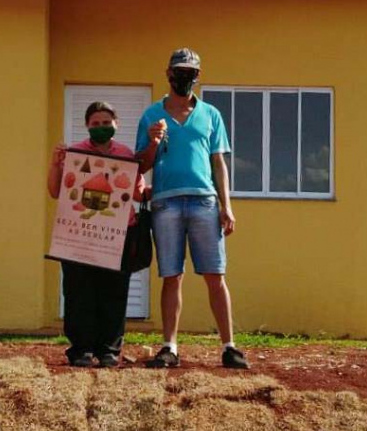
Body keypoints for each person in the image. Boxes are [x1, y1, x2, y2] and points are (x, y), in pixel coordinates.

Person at [136, 47, 249, 370]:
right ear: (168, 74)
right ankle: (169, 346)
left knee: (216, 275)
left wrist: (226, 206)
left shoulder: (212, 115)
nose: (183, 77)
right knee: (172, 276)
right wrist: (154, 141)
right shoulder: (151, 116)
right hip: (165, 202)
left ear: (197, 77)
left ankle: (229, 346)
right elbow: (140, 165)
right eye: (178, 71)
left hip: (204, 201)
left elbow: (219, 162)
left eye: (190, 73)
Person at [48, 101, 146, 368]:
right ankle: (80, 349)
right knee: (79, 291)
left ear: (116, 124)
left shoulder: (126, 153)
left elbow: (138, 193)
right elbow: (56, 191)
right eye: (96, 124)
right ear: (87, 126)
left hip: (119, 233)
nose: (101, 128)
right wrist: (56, 163)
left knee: (114, 292)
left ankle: (109, 350)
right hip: (79, 234)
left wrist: (148, 166)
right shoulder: (75, 153)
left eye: (106, 123)